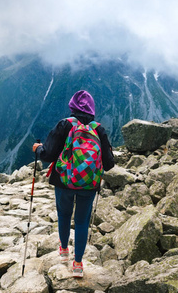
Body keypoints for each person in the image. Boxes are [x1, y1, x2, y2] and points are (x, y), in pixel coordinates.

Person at [33, 90, 115, 278]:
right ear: (92, 109)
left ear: (72, 107)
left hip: (64, 180)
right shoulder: (98, 129)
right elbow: (109, 164)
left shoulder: (65, 124)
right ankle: (78, 264)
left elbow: (48, 155)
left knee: (64, 214)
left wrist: (38, 149)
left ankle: (63, 251)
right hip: (89, 184)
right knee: (82, 221)